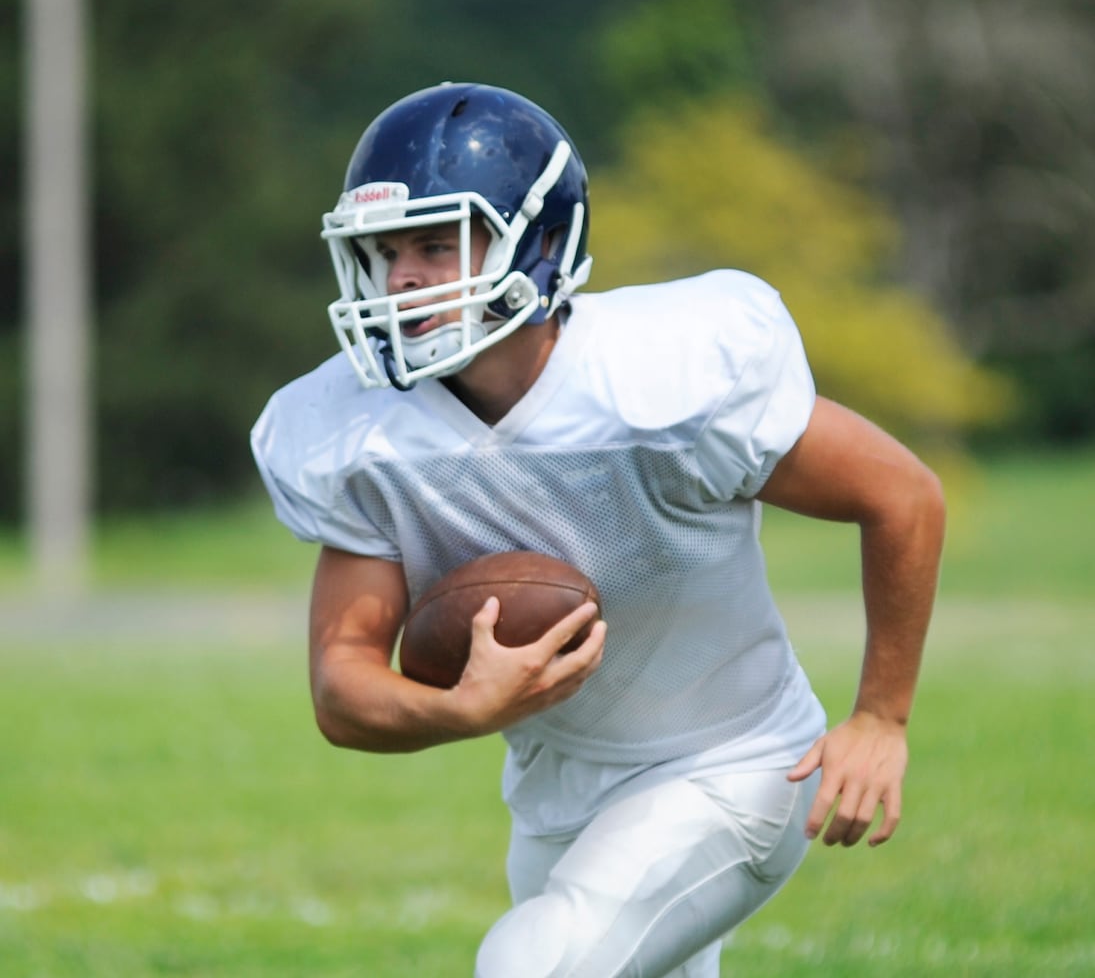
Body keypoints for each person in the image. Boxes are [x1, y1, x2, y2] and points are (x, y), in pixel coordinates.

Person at [251, 82, 945, 977]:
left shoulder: (663, 377)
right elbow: (341, 688)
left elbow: (903, 496)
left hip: (734, 765)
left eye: (433, 244)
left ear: (539, 243)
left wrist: (880, 718)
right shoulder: (361, 434)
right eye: (384, 252)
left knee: (532, 965)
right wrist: (458, 709)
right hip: (555, 795)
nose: (402, 279)